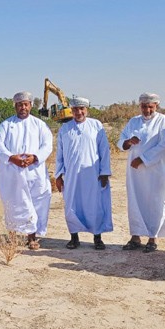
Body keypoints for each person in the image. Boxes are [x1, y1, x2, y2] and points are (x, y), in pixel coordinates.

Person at [0, 91, 53, 250]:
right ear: (15, 106)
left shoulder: (40, 125)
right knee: (13, 203)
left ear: (31, 105)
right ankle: (12, 236)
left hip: (35, 171)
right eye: (19, 104)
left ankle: (32, 238)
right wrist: (12, 158)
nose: (23, 107)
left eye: (26, 104)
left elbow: (47, 145)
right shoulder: (6, 125)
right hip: (13, 172)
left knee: (35, 202)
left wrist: (35, 157)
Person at [117, 93, 165, 253]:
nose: (147, 110)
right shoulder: (134, 121)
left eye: (150, 106)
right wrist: (127, 142)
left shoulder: (163, 121)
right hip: (135, 172)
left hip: (156, 171)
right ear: (140, 106)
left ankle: (152, 238)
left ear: (156, 106)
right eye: (144, 106)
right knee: (135, 201)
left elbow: (164, 145)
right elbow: (121, 140)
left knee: (155, 202)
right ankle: (135, 237)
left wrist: (143, 159)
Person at [55, 96, 112, 250]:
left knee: (94, 204)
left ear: (87, 110)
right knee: (71, 205)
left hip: (92, 174)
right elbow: (59, 154)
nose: (79, 112)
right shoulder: (65, 129)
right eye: (75, 109)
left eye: (82, 109)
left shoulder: (96, 126)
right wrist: (58, 175)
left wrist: (105, 172)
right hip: (71, 175)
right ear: (71, 110)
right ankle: (74, 237)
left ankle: (97, 237)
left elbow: (104, 150)